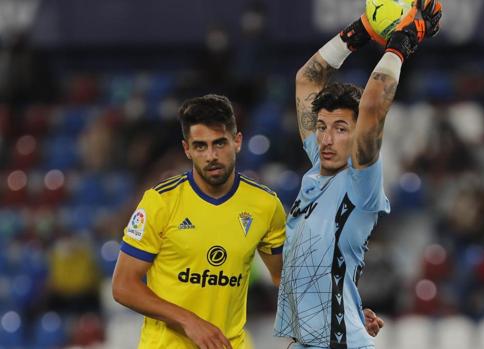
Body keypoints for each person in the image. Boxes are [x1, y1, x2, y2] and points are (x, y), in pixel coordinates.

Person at [274, 1, 442, 348]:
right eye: (321, 127)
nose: (327, 138)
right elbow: (308, 78)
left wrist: (402, 42)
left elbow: (372, 105)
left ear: (357, 136)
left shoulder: (360, 183)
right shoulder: (319, 164)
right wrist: (363, 28)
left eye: (340, 129)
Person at [112, 94, 287, 349]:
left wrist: (344, 311)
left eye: (219, 144)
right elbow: (123, 286)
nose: (211, 156)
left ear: (237, 142)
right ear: (187, 149)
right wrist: (189, 321)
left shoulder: (265, 205)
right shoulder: (160, 202)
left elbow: (284, 277)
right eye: (201, 146)